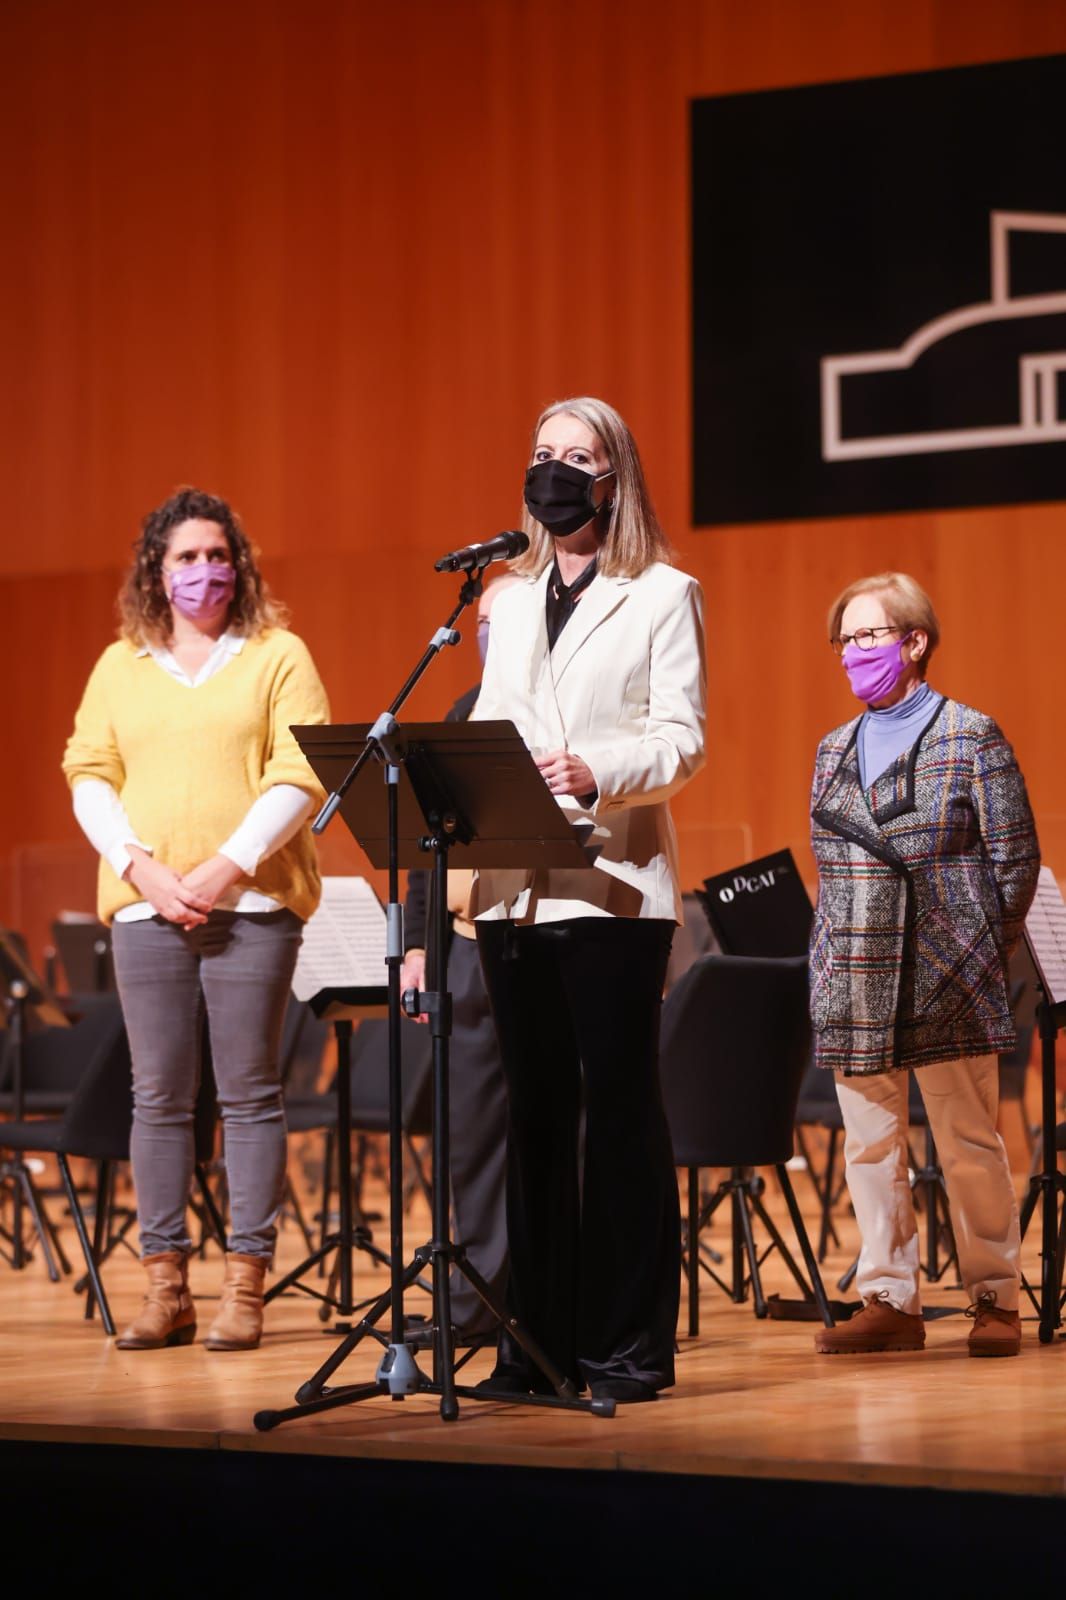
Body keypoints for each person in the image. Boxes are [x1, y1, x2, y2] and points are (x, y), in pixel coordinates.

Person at [470, 396, 706, 1403]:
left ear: (613, 478)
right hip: (511, 887)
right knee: (532, 1115)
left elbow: (683, 737)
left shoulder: (661, 591)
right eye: (541, 454)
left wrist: (594, 769)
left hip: (611, 887)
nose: (554, 471)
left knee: (615, 1113)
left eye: (577, 455)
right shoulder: (507, 596)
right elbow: (489, 719)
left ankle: (624, 1343)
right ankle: (536, 1343)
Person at [63, 487, 329, 1352]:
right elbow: (89, 770)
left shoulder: (277, 654)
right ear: (156, 569)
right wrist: (141, 867)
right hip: (146, 907)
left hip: (249, 905)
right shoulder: (120, 665)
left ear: (239, 566)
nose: (205, 571)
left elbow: (300, 771)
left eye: (219, 555)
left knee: (250, 1096)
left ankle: (245, 1287)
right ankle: (166, 1285)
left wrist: (222, 867)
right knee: (158, 1099)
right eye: (186, 557)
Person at [809, 572, 1039, 1357]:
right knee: (869, 1145)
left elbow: (1016, 860)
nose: (854, 652)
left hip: (948, 974)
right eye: (846, 639)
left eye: (870, 635)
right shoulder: (831, 749)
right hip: (854, 978)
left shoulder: (971, 735)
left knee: (968, 1141)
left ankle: (995, 1297)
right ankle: (889, 1297)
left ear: (915, 641)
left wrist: (972, 945)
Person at [400, 573, 520, 1343]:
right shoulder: (463, 711)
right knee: (470, 1137)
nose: (490, 636)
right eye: (483, 623)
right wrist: (417, 944)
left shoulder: (565, 709)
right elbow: (425, 844)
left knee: (550, 1134)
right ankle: (473, 1305)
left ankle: (545, 1304)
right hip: (469, 949)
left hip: (547, 940)